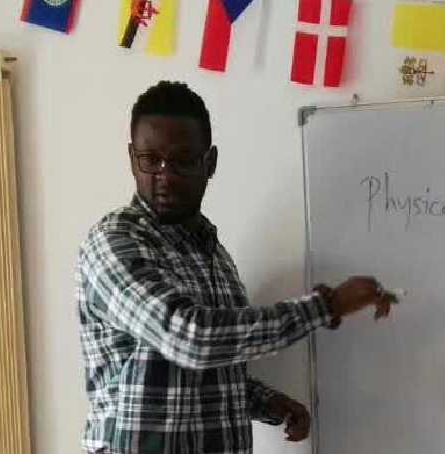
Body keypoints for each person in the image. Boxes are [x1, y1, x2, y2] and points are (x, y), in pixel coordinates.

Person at [75, 81, 398, 454]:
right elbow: (189, 338)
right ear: (133, 158)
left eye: (182, 160)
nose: (164, 175)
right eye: (150, 159)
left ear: (209, 163)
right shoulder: (114, 243)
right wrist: (329, 305)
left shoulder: (216, 256)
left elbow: (202, 370)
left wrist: (265, 402)